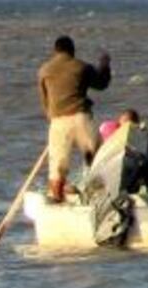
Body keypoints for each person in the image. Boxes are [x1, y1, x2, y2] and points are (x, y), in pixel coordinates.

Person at [37, 35, 112, 202]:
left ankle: (57, 196)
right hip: (81, 118)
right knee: (96, 158)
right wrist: (105, 64)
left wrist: (52, 119)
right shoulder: (81, 67)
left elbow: (45, 101)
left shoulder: (44, 71)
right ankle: (100, 197)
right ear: (72, 51)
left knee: (57, 166)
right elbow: (102, 83)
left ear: (55, 51)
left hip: (58, 121)